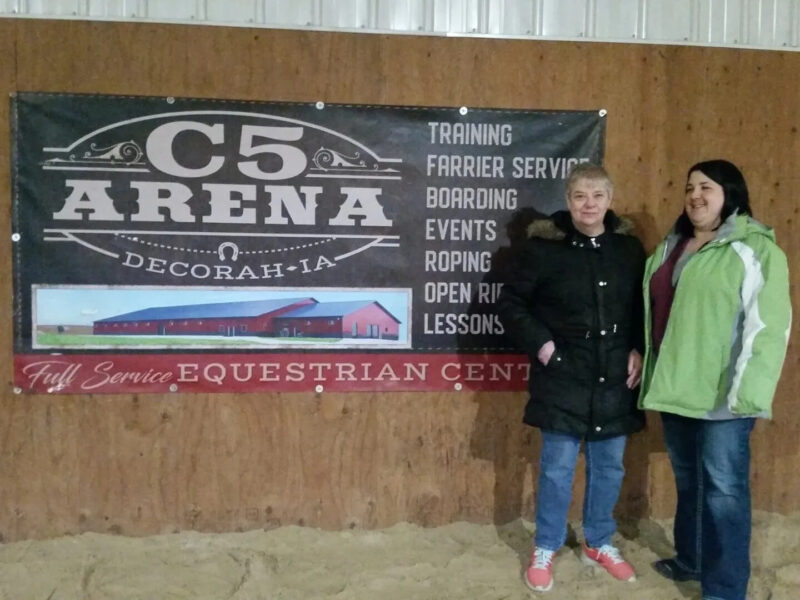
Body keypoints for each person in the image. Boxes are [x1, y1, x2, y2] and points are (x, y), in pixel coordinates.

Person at [639, 159, 791, 600]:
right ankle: (693, 560)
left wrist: (750, 394)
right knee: (690, 483)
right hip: (676, 390)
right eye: (689, 187)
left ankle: (724, 589)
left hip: (725, 397)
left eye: (706, 186)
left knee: (724, 492)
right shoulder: (672, 247)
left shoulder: (755, 249)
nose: (694, 195)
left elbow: (768, 327)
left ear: (730, 193)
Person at [497, 163, 645, 592]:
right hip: (562, 375)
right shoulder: (542, 249)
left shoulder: (629, 249)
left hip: (615, 376)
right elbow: (511, 305)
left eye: (597, 195)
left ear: (610, 200)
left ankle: (599, 541)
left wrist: (635, 346)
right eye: (580, 196)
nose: (589, 204)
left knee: (609, 466)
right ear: (567, 200)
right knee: (558, 468)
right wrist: (545, 348)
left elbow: (641, 306)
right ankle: (546, 545)